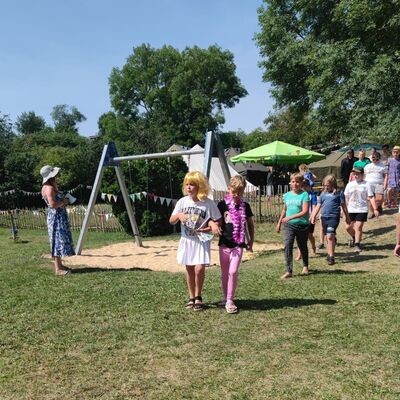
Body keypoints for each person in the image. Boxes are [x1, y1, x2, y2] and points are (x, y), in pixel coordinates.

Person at [169, 171, 221, 311]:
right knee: (189, 269)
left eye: (192, 184)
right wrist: (179, 215)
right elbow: (171, 220)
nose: (188, 187)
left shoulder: (208, 203)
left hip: (201, 241)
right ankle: (191, 297)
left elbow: (217, 219)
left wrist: (212, 226)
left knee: (199, 268)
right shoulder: (182, 202)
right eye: (187, 184)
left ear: (200, 186)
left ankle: (199, 296)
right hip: (187, 240)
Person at [216, 175, 254, 314]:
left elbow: (250, 224)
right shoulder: (221, 205)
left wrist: (251, 240)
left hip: (238, 245)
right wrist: (215, 227)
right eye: (233, 192)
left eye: (239, 192)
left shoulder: (245, 206)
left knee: (233, 271)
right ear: (228, 189)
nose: (236, 195)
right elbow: (216, 221)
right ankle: (226, 298)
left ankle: (230, 300)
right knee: (225, 273)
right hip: (224, 245)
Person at [40, 165, 75, 276]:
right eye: (55, 175)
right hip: (56, 218)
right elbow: (53, 204)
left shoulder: (47, 187)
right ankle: (58, 269)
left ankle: (60, 265)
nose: (57, 176)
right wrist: (64, 202)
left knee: (58, 241)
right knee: (57, 242)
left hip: (56, 217)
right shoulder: (49, 188)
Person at [276, 173, 310, 279]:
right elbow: (285, 210)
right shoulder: (287, 195)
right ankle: (289, 270)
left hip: (302, 225)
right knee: (287, 245)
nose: (295, 184)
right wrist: (279, 222)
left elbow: (305, 211)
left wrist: (290, 217)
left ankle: (305, 266)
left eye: (298, 182)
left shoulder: (304, 195)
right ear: (290, 182)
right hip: (289, 225)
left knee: (302, 246)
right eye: (293, 182)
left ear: (301, 183)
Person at [310, 175, 350, 265]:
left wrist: (347, 217)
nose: (326, 187)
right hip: (324, 217)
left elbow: (344, 206)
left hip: (334, 217)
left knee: (329, 236)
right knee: (328, 237)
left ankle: (331, 257)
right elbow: (318, 206)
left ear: (333, 184)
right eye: (325, 185)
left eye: (328, 185)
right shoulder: (323, 194)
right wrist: (313, 216)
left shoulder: (339, 193)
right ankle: (329, 254)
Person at [344, 166, 379, 253]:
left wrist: (375, 209)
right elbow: (346, 198)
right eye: (354, 173)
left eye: (358, 173)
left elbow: (371, 197)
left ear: (362, 174)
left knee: (358, 227)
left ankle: (357, 245)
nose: (356, 175)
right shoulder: (349, 184)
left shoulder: (367, 184)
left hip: (362, 209)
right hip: (351, 209)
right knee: (348, 227)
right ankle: (354, 238)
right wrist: (343, 210)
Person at [295, 178, 317, 260]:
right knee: (299, 236)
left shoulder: (312, 195)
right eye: (302, 185)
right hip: (300, 218)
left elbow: (314, 207)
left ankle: (313, 247)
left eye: (305, 185)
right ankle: (299, 254)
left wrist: (313, 216)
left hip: (309, 218)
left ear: (308, 186)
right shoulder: (299, 195)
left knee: (310, 236)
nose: (303, 187)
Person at [364, 151, 387, 216]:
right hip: (368, 184)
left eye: (377, 159)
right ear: (371, 158)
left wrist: (385, 183)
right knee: (369, 199)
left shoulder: (382, 165)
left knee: (379, 198)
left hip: (379, 183)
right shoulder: (367, 166)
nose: (375, 160)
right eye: (373, 158)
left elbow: (386, 175)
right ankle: (372, 212)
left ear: (379, 158)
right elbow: (364, 176)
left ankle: (378, 206)